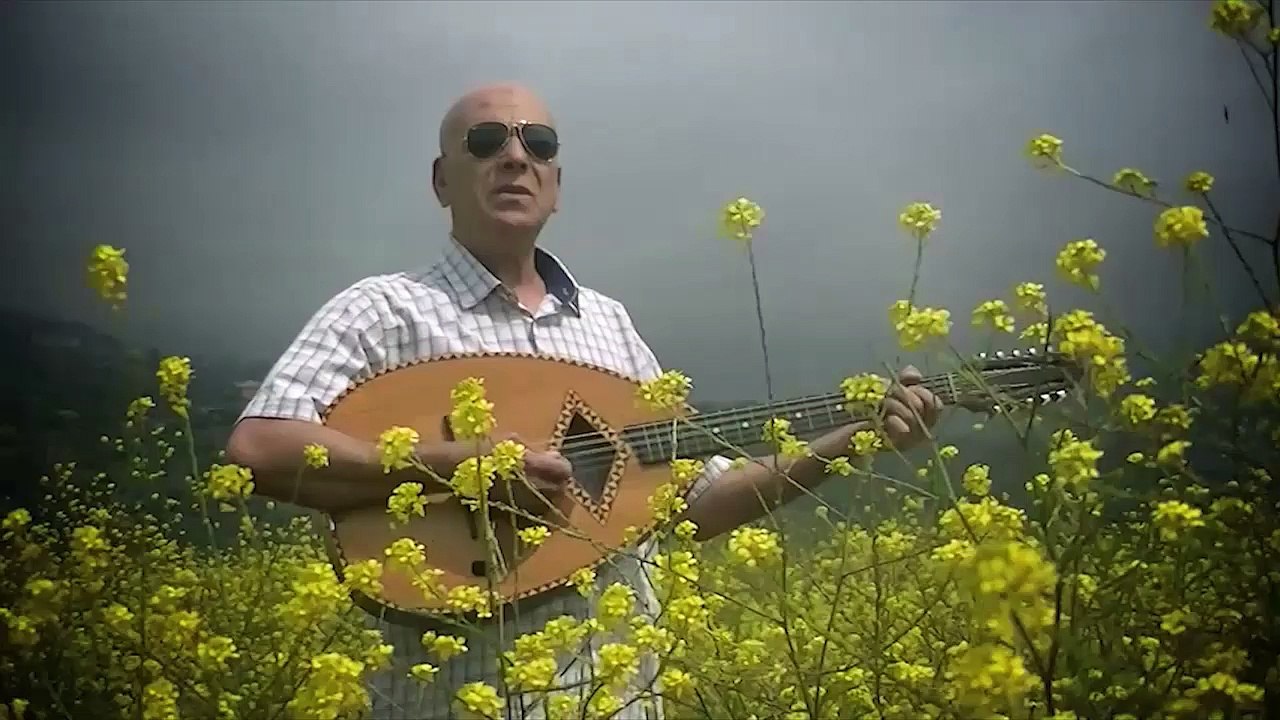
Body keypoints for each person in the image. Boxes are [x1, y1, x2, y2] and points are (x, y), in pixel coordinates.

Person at [225, 82, 941, 720]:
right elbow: (260, 449)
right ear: (442, 181)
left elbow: (689, 501)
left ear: (556, 183)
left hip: (620, 696)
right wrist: (450, 467)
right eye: (486, 142)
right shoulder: (383, 311)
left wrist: (852, 439)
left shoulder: (610, 325)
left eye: (537, 143)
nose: (515, 157)